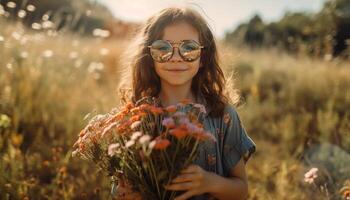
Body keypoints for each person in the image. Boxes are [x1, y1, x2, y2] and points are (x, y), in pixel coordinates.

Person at [114, 6, 256, 200]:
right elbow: (118, 188)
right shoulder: (136, 118)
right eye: (163, 48)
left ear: (203, 57)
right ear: (149, 56)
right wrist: (126, 193)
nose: (175, 57)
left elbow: (241, 191)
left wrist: (209, 182)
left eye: (189, 48)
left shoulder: (222, 116)